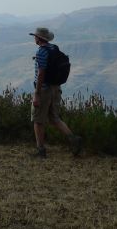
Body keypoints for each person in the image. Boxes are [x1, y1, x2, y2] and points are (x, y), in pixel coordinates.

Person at [30, 27, 82, 158]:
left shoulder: (42, 51)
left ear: (39, 38)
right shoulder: (54, 48)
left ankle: (40, 150)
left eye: (35, 36)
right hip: (56, 88)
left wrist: (37, 93)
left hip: (44, 89)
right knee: (55, 118)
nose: (34, 38)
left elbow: (41, 73)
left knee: (38, 120)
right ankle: (73, 139)